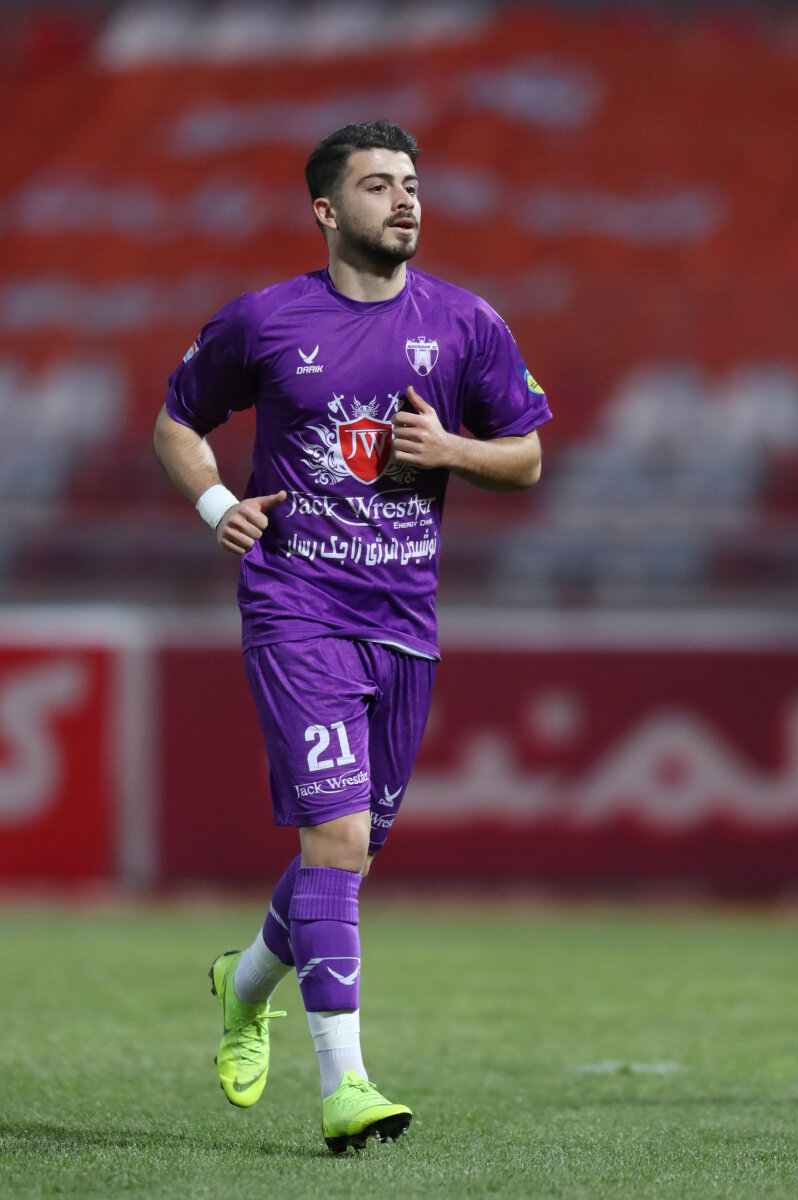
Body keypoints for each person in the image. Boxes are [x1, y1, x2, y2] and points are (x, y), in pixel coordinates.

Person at [153, 119, 551, 1154]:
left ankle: (243, 984)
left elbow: (524, 458)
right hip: (297, 606)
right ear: (327, 211)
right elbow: (176, 421)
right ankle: (347, 1088)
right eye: (379, 185)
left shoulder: (465, 322)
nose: (405, 199)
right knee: (333, 841)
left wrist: (451, 448)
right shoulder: (264, 319)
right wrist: (216, 507)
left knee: (352, 851)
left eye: (411, 182)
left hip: (404, 622)